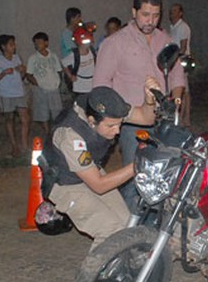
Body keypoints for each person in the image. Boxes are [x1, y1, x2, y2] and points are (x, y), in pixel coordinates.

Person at [94, 0, 186, 210]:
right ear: (134, 12)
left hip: (162, 121)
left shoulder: (165, 40)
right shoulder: (115, 43)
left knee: (163, 174)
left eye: (155, 15)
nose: (150, 21)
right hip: (132, 124)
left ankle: (156, 226)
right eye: (145, 14)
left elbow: (177, 76)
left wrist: (175, 101)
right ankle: (131, 228)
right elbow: (100, 86)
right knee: (135, 175)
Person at [43, 80, 160, 250]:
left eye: (120, 124)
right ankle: (93, 275)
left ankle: (124, 270)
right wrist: (138, 164)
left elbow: (145, 118)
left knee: (127, 226)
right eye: (111, 126)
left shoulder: (108, 109)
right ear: (92, 121)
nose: (117, 131)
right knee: (110, 231)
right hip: (65, 184)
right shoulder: (70, 135)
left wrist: (149, 100)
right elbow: (99, 185)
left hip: (89, 171)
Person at [0, 34, 29, 157]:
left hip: (19, 92)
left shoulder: (17, 58)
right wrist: (3, 73)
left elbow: (22, 77)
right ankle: (14, 146)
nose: (14, 46)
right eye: (11, 44)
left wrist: (23, 71)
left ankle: (24, 145)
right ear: (3, 47)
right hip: (6, 94)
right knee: (9, 120)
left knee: (25, 119)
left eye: (14, 44)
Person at [26, 32, 63, 135]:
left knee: (56, 111)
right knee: (43, 113)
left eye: (39, 42)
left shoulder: (53, 56)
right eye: (35, 43)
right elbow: (29, 74)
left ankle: (56, 131)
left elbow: (59, 70)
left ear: (46, 43)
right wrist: (37, 83)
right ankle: (48, 132)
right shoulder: (33, 58)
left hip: (53, 88)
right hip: (41, 89)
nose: (37, 45)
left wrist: (58, 81)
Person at [169, 3, 192, 127]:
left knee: (184, 90)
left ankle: (185, 117)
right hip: (175, 61)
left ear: (180, 13)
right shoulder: (172, 27)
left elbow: (182, 47)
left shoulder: (183, 27)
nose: (171, 13)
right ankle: (180, 116)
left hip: (181, 61)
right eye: (171, 11)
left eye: (174, 10)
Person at [62, 26, 96, 98]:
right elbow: (64, 64)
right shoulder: (74, 55)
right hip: (80, 86)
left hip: (92, 83)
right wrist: (70, 76)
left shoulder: (92, 51)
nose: (88, 44)